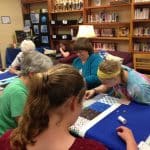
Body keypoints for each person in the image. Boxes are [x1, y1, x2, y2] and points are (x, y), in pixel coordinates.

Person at [0, 64, 137, 150]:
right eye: (81, 101)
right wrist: (131, 142)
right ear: (73, 103)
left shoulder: (7, 139)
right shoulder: (91, 148)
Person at [0, 50, 53, 136]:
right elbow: (26, 127)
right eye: (45, 76)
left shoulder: (23, 84)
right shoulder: (18, 92)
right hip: (7, 137)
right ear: (32, 74)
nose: (47, 79)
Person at [85, 60, 150, 105]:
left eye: (105, 82)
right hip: (124, 102)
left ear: (115, 79)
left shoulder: (139, 87)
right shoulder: (118, 70)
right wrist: (94, 90)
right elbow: (106, 86)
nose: (103, 84)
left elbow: (146, 108)